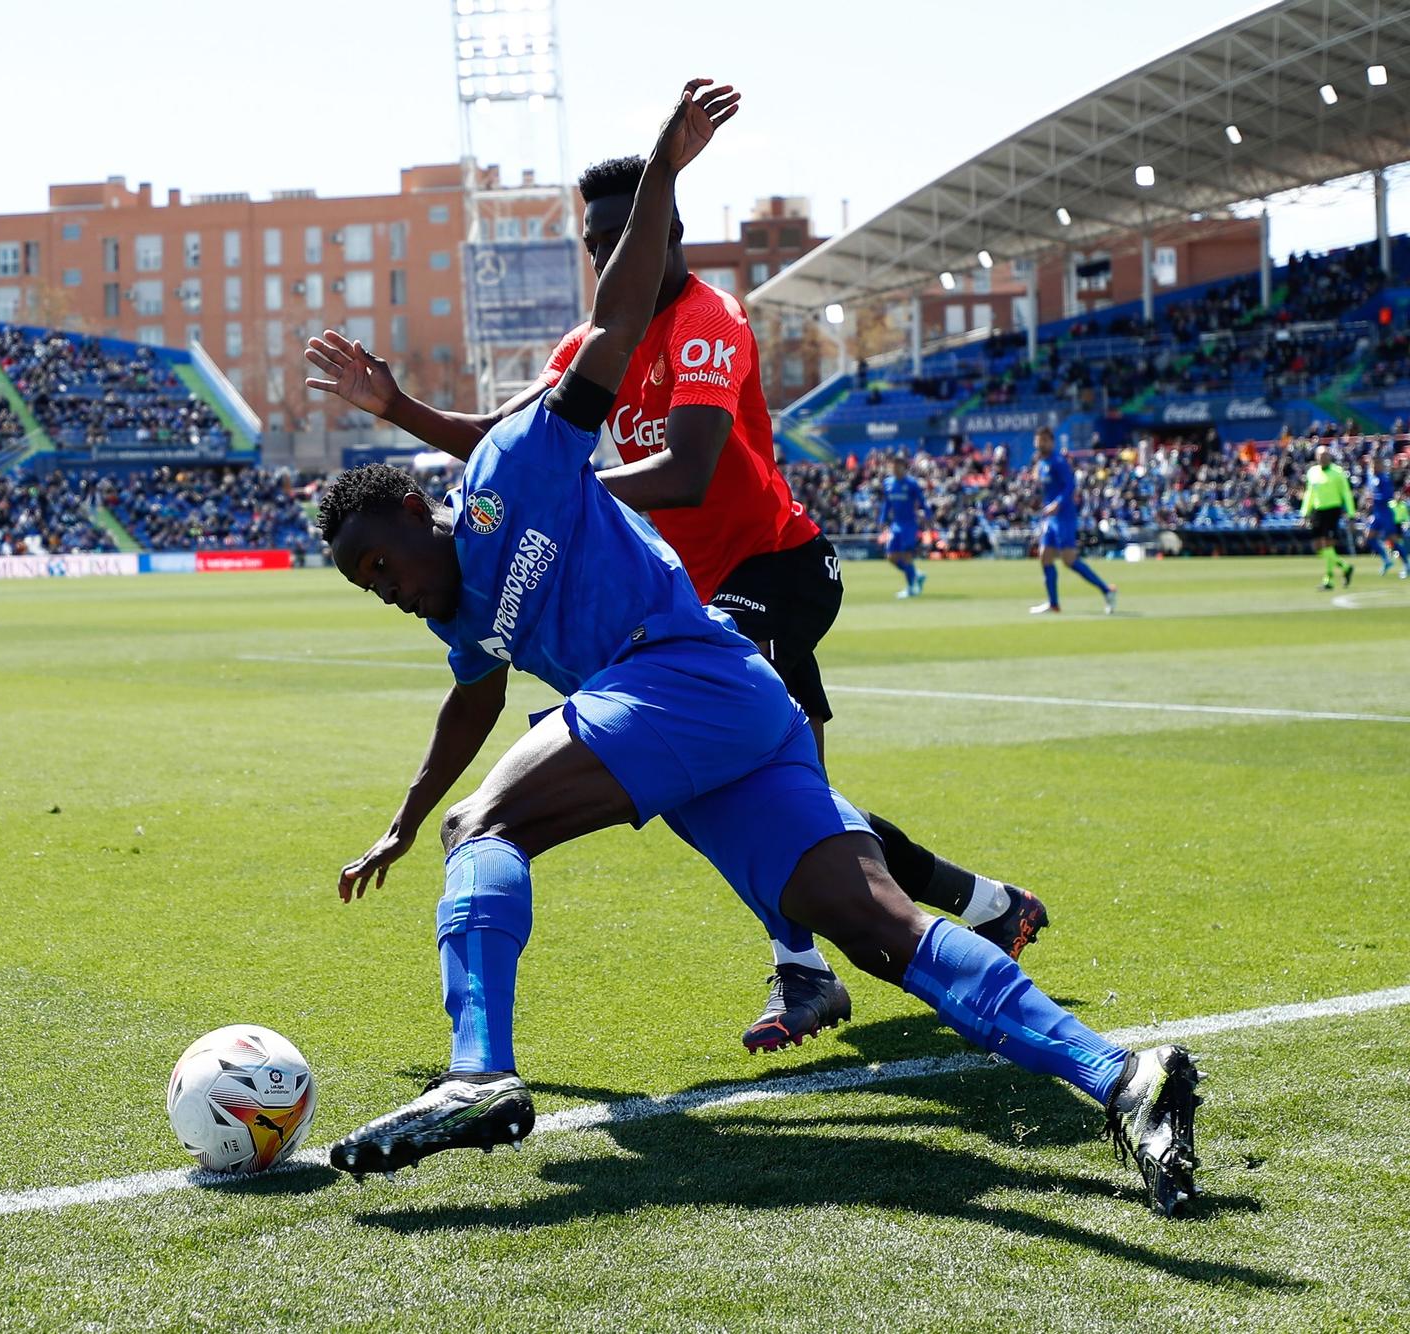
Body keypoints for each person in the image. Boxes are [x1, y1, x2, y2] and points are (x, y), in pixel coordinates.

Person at [316, 83, 1201, 1216]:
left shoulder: (514, 469)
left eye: (379, 562)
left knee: (484, 826)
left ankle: (479, 1071)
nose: (385, 591)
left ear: (415, 511)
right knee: (879, 930)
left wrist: (665, 169)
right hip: (728, 719)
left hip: (687, 667)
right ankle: (1124, 1074)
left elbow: (621, 314)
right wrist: (397, 813)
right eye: (365, 586)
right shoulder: (458, 609)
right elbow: (469, 698)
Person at [307, 153, 1045, 1057]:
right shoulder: (582, 351)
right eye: (596, 242)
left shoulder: (709, 319)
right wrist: (397, 406)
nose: (611, 252)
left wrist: (560, 501)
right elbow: (505, 439)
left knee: (778, 797)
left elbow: (688, 473)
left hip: (775, 563)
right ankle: (983, 903)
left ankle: (804, 969)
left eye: (627, 233)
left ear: (669, 232)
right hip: (682, 604)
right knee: (790, 802)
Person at [1030, 428, 1116, 615]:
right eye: (1037, 441)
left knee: (1069, 560)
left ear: (1051, 442)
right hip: (1050, 518)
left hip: (1064, 517)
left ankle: (1107, 590)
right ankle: (1053, 604)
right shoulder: (1042, 462)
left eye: (1043, 441)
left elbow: (1070, 485)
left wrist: (1057, 503)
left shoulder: (1059, 461)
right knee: (1044, 556)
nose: (1039, 444)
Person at [1300, 444, 1357, 590]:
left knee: (1328, 544)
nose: (1323, 458)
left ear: (1330, 456)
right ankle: (1345, 567)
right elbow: (1310, 494)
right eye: (1320, 455)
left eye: (1325, 455)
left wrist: (1351, 515)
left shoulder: (1337, 473)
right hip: (1318, 512)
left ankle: (1328, 580)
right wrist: (1304, 513)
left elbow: (1346, 494)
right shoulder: (1312, 472)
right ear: (1316, 457)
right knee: (1318, 546)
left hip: (1332, 511)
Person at [880, 453, 928, 598]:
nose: (894, 468)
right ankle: (916, 574)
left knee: (907, 556)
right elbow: (887, 503)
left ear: (903, 467)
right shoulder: (888, 483)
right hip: (896, 525)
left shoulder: (911, 483)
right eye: (892, 466)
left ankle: (911, 587)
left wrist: (928, 516)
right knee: (891, 557)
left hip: (909, 525)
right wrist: (882, 519)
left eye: (897, 466)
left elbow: (922, 501)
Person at [1358, 452, 1408, 579]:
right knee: (1369, 536)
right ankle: (1387, 560)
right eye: (1373, 464)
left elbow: (1388, 496)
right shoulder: (1371, 477)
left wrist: (1373, 498)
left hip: (1385, 513)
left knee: (1392, 540)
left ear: (1381, 465)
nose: (1374, 467)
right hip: (1377, 513)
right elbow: (1369, 492)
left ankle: (1407, 565)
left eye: (1377, 464)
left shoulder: (1384, 479)